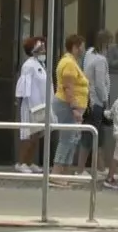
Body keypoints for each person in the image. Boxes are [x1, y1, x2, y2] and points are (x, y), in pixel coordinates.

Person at [52, 34, 89, 173]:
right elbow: (68, 87)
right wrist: (74, 108)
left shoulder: (71, 62)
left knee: (72, 140)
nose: (83, 50)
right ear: (75, 47)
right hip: (67, 106)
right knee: (67, 139)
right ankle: (56, 174)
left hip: (71, 106)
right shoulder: (69, 63)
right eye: (82, 47)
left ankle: (64, 174)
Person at [12, 37, 47, 174]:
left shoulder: (40, 65)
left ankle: (29, 162)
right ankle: (21, 163)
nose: (44, 50)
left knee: (36, 136)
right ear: (34, 50)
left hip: (40, 105)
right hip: (30, 105)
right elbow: (23, 87)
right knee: (28, 135)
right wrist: (20, 102)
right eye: (41, 48)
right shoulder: (28, 65)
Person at [82, 30, 112, 170]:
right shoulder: (100, 60)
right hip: (97, 102)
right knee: (92, 137)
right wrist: (106, 101)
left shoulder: (89, 54)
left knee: (97, 137)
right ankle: (82, 169)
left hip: (89, 99)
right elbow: (100, 84)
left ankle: (100, 168)